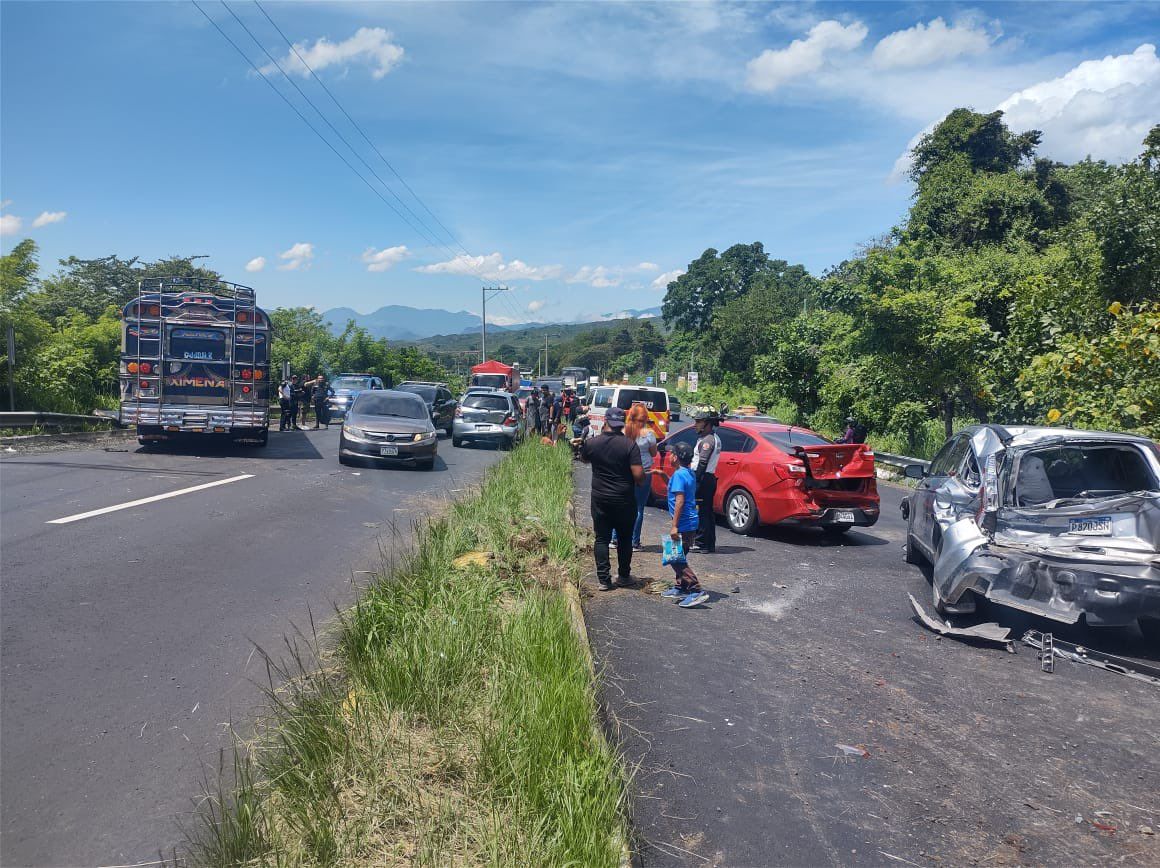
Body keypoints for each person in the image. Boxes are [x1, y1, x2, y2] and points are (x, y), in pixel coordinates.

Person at [580, 406, 644, 591]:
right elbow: (639, 476)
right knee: (624, 539)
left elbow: (583, 459)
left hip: (600, 499)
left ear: (606, 421)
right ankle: (624, 576)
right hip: (624, 500)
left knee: (601, 538)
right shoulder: (629, 445)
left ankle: (604, 580)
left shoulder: (593, 443)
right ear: (621, 424)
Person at [660, 442, 709, 608]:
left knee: (675, 558)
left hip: (683, 524)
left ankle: (696, 590)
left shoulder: (680, 475)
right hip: (690, 522)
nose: (669, 456)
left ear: (675, 457)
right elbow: (678, 490)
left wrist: (674, 526)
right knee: (679, 555)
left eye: (671, 453)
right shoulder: (687, 473)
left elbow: (680, 499)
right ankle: (680, 586)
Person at [625, 403, 658, 551]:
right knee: (638, 508)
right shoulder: (648, 434)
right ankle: (634, 541)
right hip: (643, 472)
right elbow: (653, 453)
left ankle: (615, 539)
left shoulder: (624, 431)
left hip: (626, 472)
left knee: (622, 506)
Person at [691, 408, 722, 553]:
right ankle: (709, 544)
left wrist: (695, 481)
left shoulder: (708, 440)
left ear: (708, 423)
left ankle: (701, 543)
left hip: (704, 479)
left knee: (702, 512)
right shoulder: (712, 438)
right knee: (707, 512)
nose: (695, 424)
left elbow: (702, 462)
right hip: (708, 479)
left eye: (698, 421)